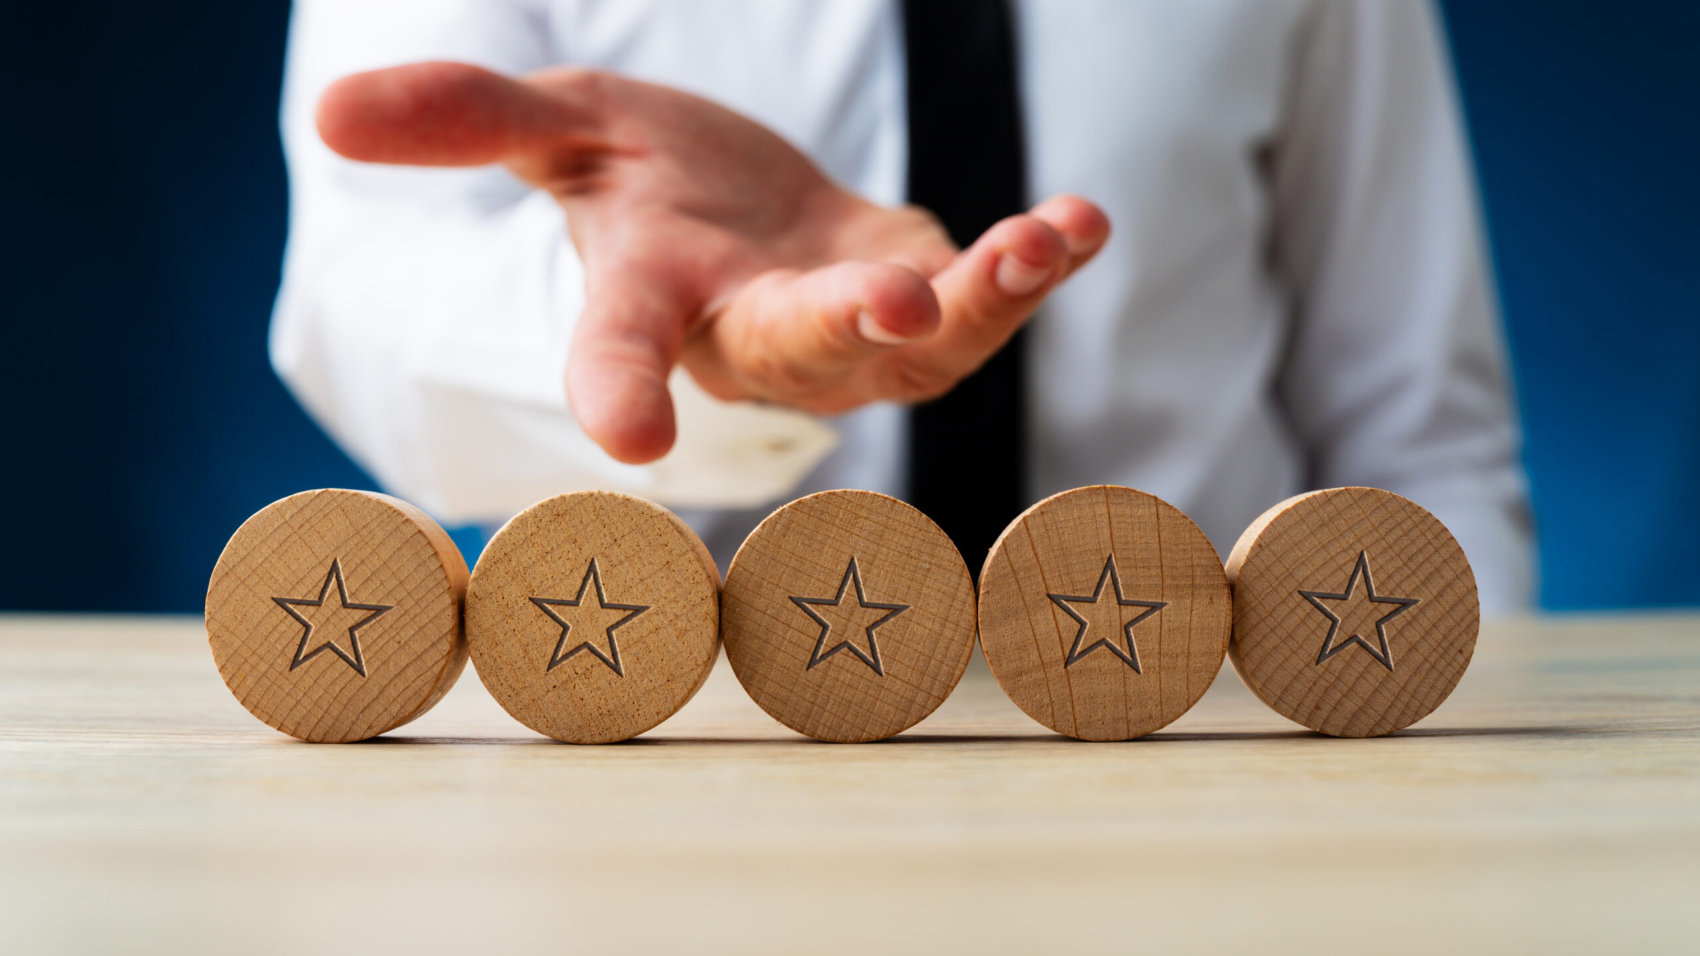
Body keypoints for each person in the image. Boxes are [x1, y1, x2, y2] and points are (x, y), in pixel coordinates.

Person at [272, 0, 1533, 613]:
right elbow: (357, 299)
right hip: (673, 757)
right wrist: (708, 357)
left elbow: (1419, 442)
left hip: (1218, 748)